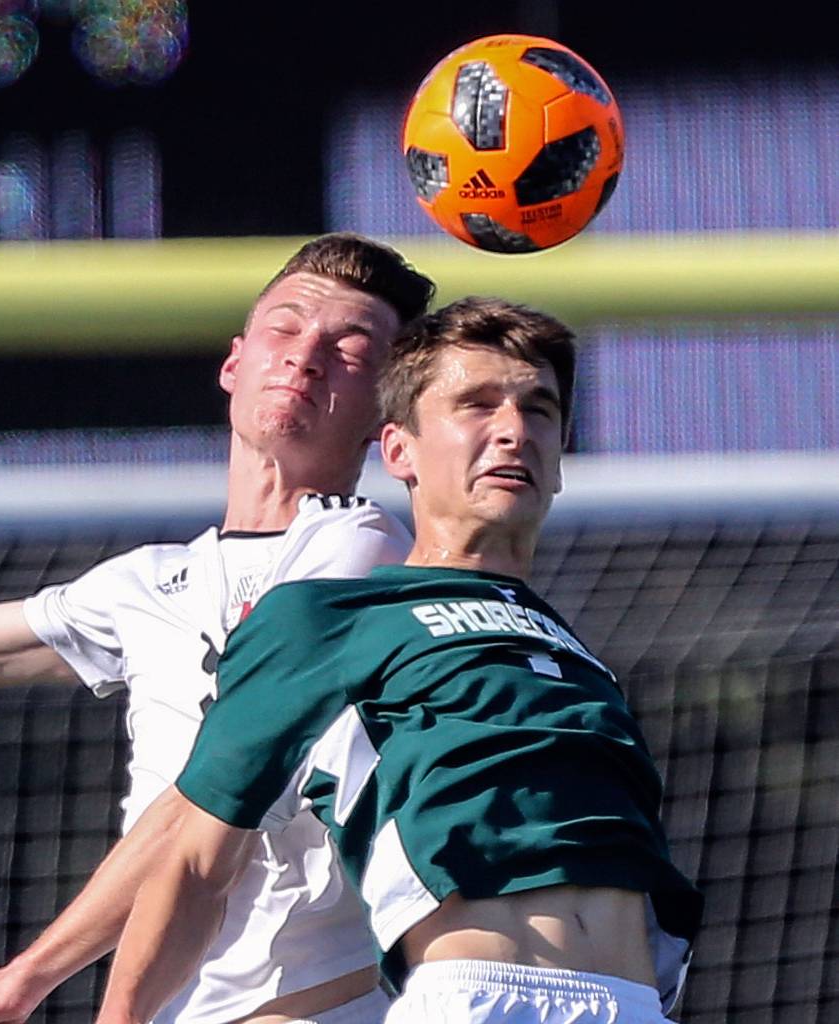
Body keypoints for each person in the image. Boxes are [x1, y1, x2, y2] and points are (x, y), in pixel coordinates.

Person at [92, 296, 704, 1024]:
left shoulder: (574, 653)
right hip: (479, 1001)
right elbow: (193, 861)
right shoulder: (326, 616)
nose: (513, 431)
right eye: (475, 405)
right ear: (398, 451)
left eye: (538, 410)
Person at [0, 233, 436, 1024]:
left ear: (386, 414)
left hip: (317, 1005)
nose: (305, 356)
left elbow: (214, 799)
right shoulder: (149, 581)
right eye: (284, 330)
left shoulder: (357, 553)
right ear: (232, 363)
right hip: (181, 1006)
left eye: (348, 348)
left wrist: (27, 975)